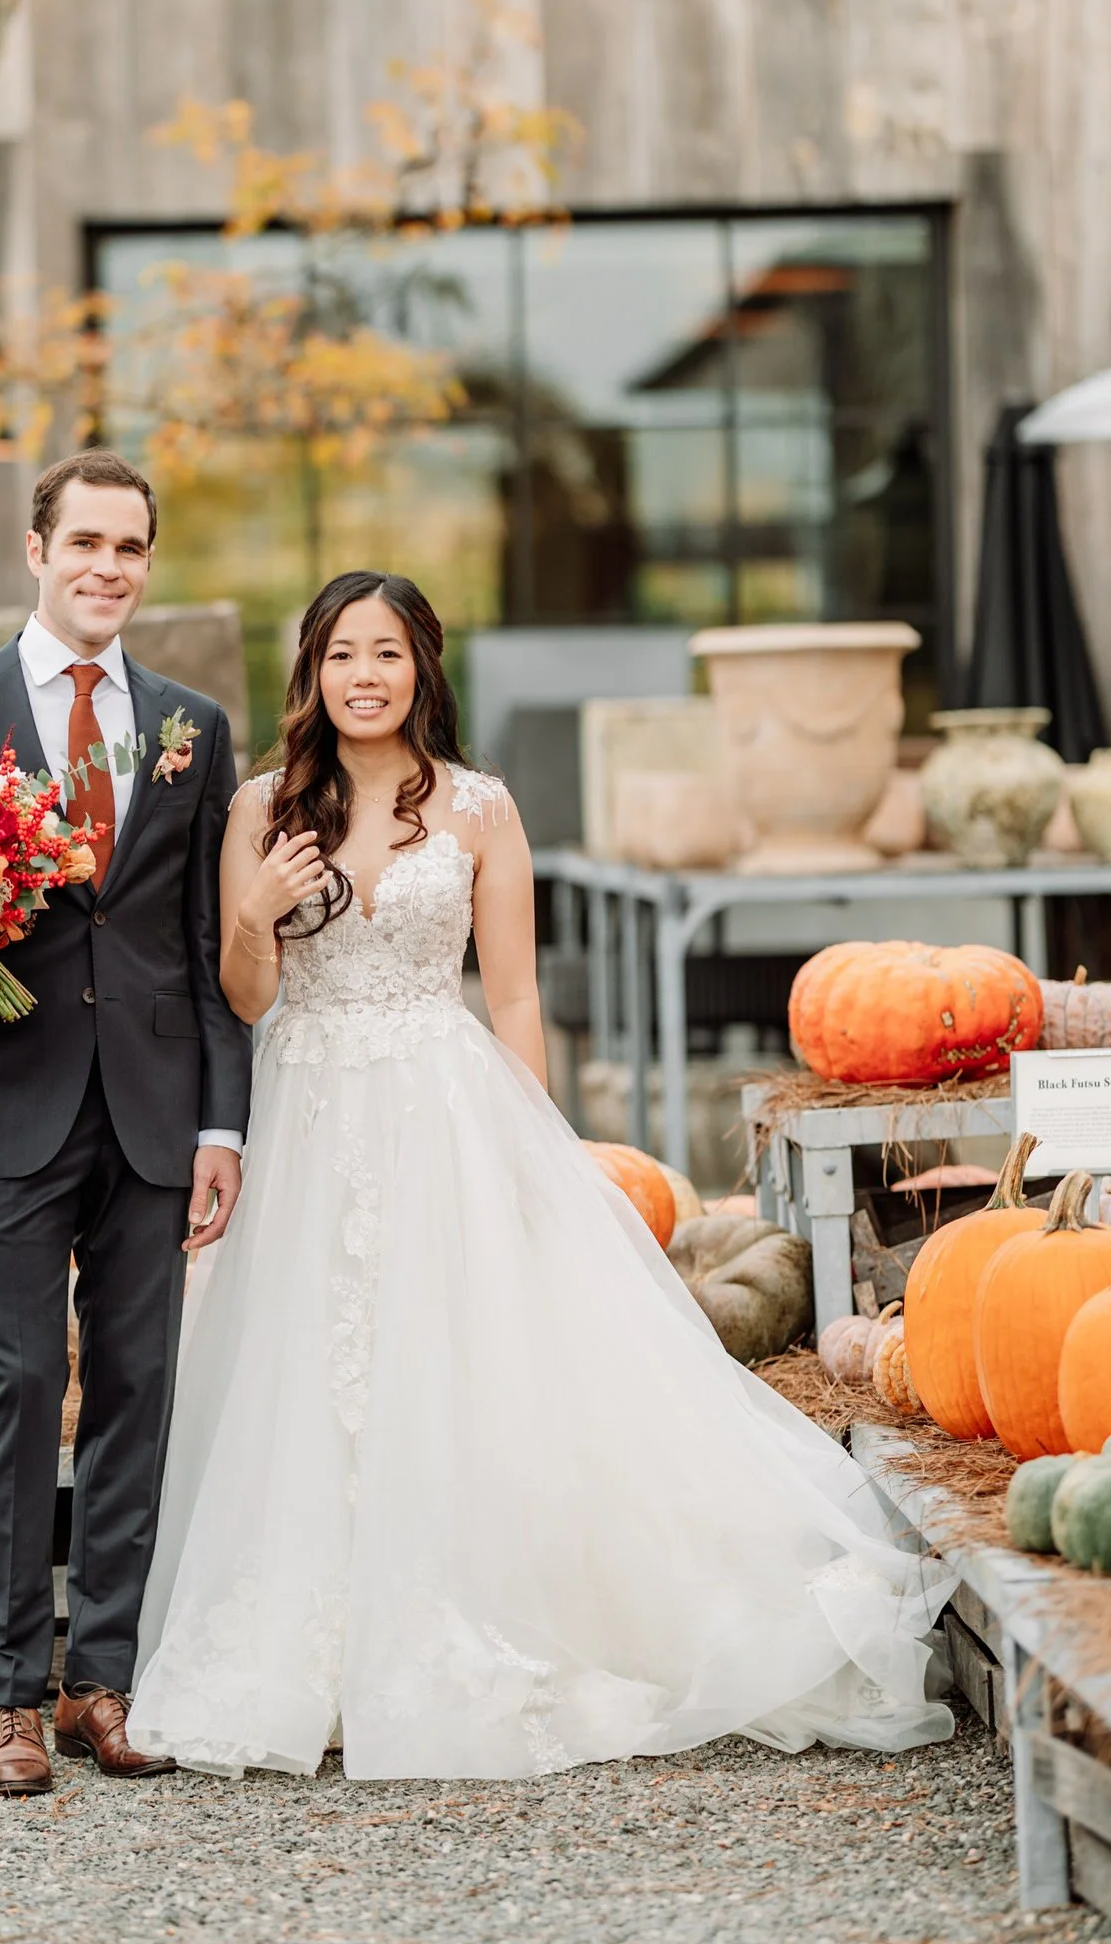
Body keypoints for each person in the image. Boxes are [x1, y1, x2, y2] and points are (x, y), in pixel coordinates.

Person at [127, 570, 954, 1781]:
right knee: (309, 1372)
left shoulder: (479, 808)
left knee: (451, 1363)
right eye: (344, 653)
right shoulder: (263, 807)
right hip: (302, 1106)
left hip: (439, 1105)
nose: (366, 674)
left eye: (390, 654)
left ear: (424, 672)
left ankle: (470, 1621)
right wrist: (252, 908)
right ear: (311, 669)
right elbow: (244, 996)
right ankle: (316, 1648)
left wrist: (537, 1155)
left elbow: (512, 994)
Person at [0, 452, 251, 1795]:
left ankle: (107, 1680)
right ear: (34, 550)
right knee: (18, 1383)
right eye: (85, 541)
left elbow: (210, 942)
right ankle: (6, 1703)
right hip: (12, 1097)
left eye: (132, 547)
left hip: (156, 1110)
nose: (109, 567)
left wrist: (225, 1126)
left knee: (139, 1394)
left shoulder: (195, 729)